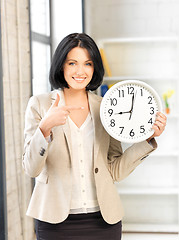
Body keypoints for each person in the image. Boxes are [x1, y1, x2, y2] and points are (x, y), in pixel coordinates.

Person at [22, 33, 167, 240]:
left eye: (87, 64)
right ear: (61, 66)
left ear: (94, 68)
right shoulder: (39, 104)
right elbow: (31, 168)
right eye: (72, 63)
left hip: (103, 221)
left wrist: (146, 141)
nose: (80, 71)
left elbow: (115, 170)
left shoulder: (106, 107)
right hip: (55, 222)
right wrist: (45, 128)